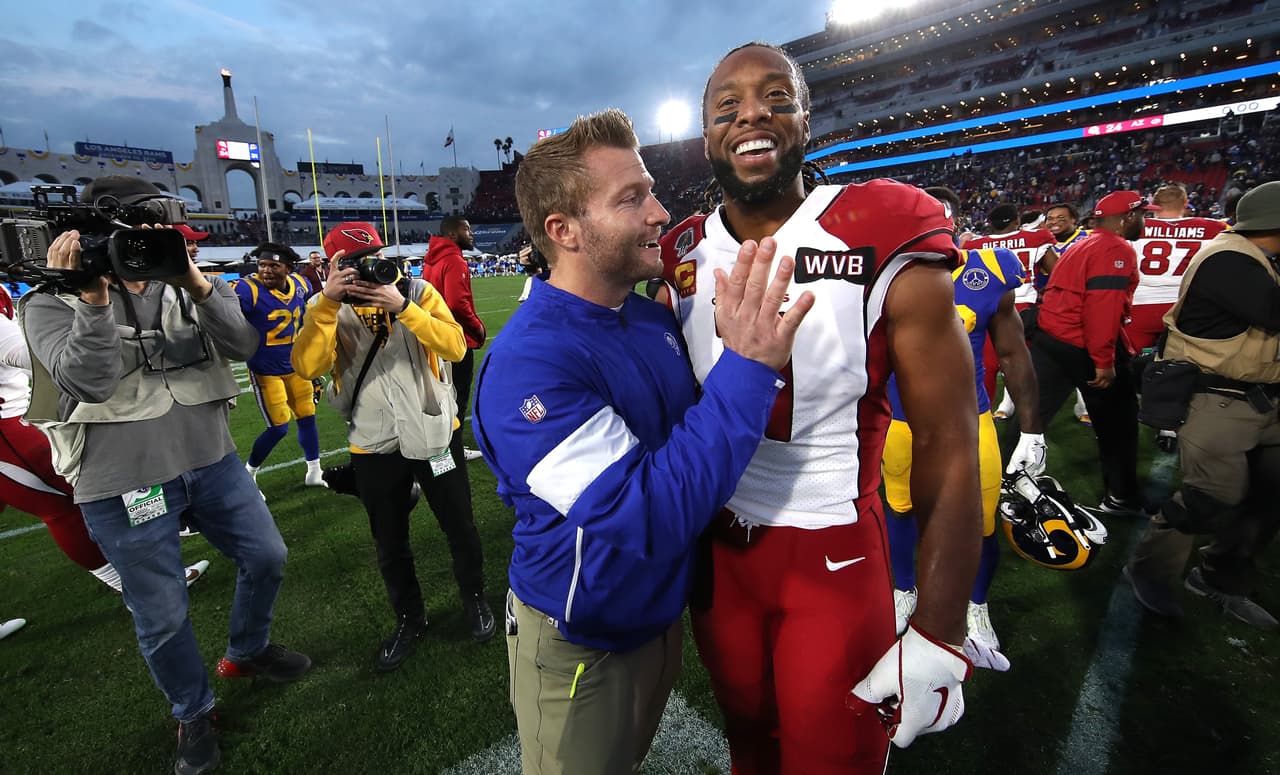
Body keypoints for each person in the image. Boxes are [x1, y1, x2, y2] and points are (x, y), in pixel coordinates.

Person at [660, 43, 981, 772]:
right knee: (749, 743)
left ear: (807, 116)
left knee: (833, 758)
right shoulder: (682, 252)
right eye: (727, 105)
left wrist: (939, 625)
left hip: (831, 551)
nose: (751, 113)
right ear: (706, 134)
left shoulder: (882, 224)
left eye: (776, 96)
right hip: (720, 558)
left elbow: (948, 437)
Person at [472, 107, 812, 775]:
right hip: (581, 638)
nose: (660, 212)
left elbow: (691, 446)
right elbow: (648, 514)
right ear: (563, 231)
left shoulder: (645, 316)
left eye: (651, 189)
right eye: (632, 198)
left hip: (657, 615)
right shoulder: (528, 364)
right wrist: (747, 369)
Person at [19, 177, 309, 775]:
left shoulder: (190, 282)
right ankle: (192, 711)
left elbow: (244, 343)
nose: (174, 248)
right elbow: (87, 383)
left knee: (268, 556)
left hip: (211, 456)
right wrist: (94, 300)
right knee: (162, 612)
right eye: (155, 238)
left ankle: (247, 650)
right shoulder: (49, 299)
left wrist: (197, 284)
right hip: (121, 476)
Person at [292, 221, 495, 672]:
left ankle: (474, 598)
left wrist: (403, 307)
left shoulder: (418, 291)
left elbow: (457, 348)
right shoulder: (322, 306)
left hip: (434, 431)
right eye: (351, 263)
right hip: (373, 442)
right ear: (331, 265)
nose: (367, 268)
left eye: (374, 256)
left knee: (459, 523)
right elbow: (307, 366)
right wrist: (327, 303)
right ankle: (409, 617)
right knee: (389, 539)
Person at [885, 186, 1045, 673]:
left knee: (981, 519)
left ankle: (976, 607)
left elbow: (1015, 353)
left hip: (967, 419)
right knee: (899, 508)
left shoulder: (990, 269)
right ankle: (902, 592)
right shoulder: (881, 273)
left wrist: (1033, 432)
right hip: (898, 421)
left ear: (952, 221)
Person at [1124, 181, 1280, 630]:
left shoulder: (1258, 258)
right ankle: (1150, 568)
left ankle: (1221, 575)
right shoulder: (1229, 256)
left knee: (1269, 494)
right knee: (1211, 495)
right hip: (1219, 395)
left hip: (1265, 394)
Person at [0, 284, 210, 593]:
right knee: (67, 504)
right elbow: (35, 358)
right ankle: (134, 583)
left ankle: (162, 543)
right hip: (10, 430)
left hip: (15, 416)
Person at [1031, 190, 1152, 515]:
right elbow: (1102, 308)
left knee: (1032, 417)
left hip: (1052, 337)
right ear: (1128, 217)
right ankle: (1121, 496)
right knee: (1118, 422)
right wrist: (1104, 360)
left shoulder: (1083, 242)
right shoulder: (1114, 247)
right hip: (1082, 342)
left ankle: (1010, 479)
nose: (1145, 220)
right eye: (1142, 214)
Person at [235, 242, 324, 487]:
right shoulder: (247, 289)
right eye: (262, 265)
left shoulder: (301, 284)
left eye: (274, 265)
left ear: (289, 268)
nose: (266, 270)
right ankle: (249, 474)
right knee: (279, 427)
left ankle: (314, 471)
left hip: (296, 365)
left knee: (307, 416)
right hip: (265, 370)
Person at [964, 204, 1056, 414]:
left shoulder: (975, 244)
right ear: (1017, 221)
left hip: (985, 307)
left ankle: (983, 411)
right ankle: (1022, 413)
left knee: (986, 364)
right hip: (1023, 306)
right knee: (1021, 361)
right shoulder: (1037, 238)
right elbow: (1058, 273)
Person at [1129, 183, 1228, 352]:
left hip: (1141, 305)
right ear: (1185, 203)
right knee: (1186, 362)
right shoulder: (1213, 227)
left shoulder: (1134, 227)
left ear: (1155, 205)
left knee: (1131, 361)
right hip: (1185, 305)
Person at [421, 215, 486, 434]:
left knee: (443, 394)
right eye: (466, 229)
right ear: (452, 234)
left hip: (435, 336)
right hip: (455, 337)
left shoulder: (432, 260)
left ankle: (443, 445)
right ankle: (454, 445)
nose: (471, 233)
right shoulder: (454, 260)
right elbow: (457, 303)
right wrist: (477, 327)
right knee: (458, 392)